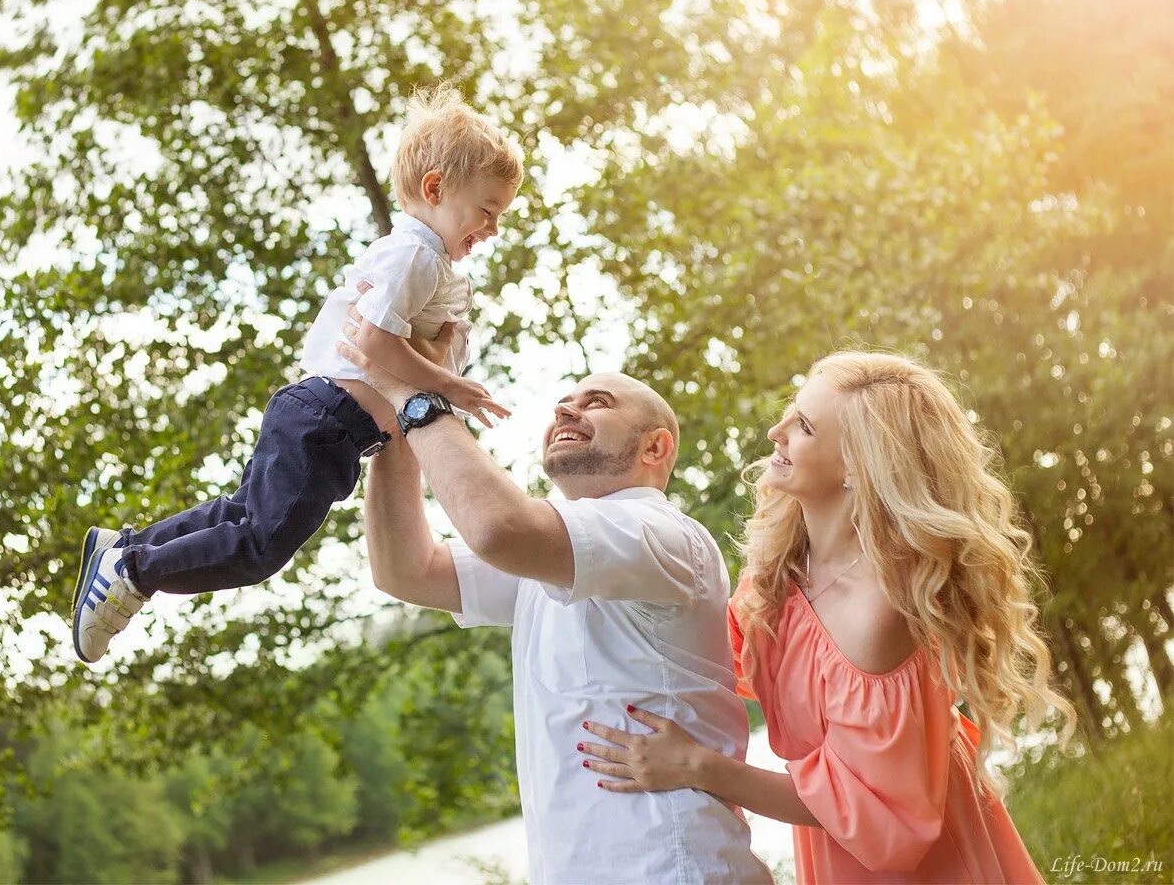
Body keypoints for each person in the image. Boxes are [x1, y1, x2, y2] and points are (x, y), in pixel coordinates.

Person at [575, 352, 1072, 883]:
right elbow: (707, 657)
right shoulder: (782, 562)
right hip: (835, 842)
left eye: (804, 427)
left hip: (917, 859)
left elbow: (872, 810)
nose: (775, 432)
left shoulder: (878, 611)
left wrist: (696, 766)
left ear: (858, 465)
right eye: (790, 413)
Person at [69, 85, 522, 663]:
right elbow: (373, 339)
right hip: (327, 418)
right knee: (260, 544)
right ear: (435, 188)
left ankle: (128, 548)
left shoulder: (428, 261)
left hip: (329, 421)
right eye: (487, 210)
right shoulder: (417, 254)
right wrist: (447, 385)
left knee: (241, 514)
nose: (493, 227)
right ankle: (134, 572)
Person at [337, 307, 773, 884]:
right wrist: (391, 424)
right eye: (564, 402)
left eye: (597, 402)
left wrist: (417, 393)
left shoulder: (658, 531)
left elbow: (499, 529)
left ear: (655, 448)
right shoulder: (558, 552)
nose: (566, 408)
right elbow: (405, 570)